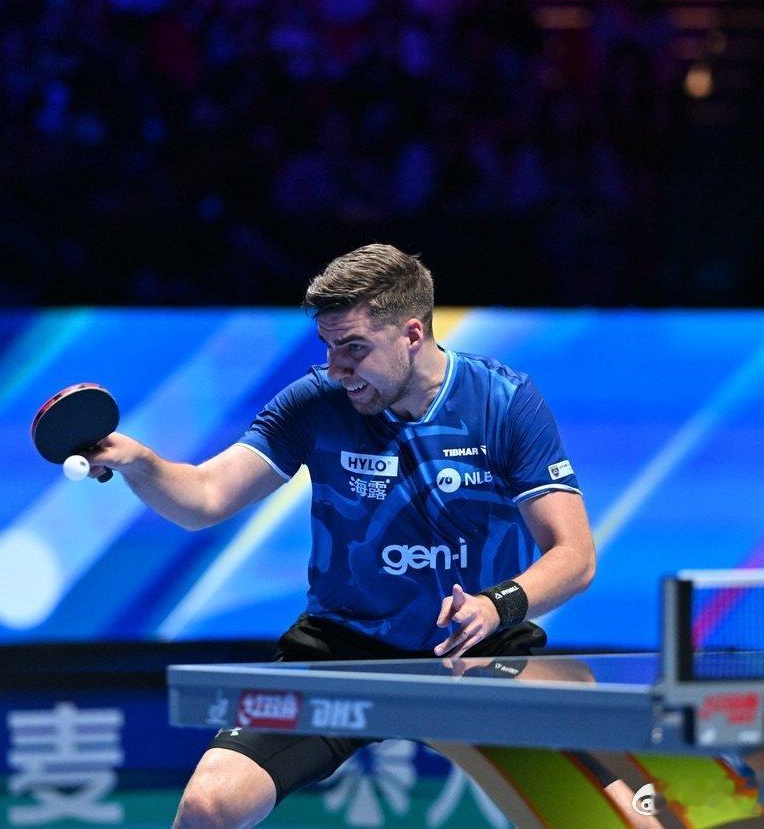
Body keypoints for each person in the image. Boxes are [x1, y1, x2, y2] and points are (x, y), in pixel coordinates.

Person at [86, 244, 598, 827]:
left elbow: (574, 555)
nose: (337, 368)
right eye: (329, 348)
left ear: (411, 333)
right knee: (210, 806)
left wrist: (494, 605)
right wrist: (140, 463)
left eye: (354, 348)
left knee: (611, 811)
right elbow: (205, 498)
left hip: (479, 648)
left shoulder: (503, 402)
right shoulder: (317, 402)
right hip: (344, 651)